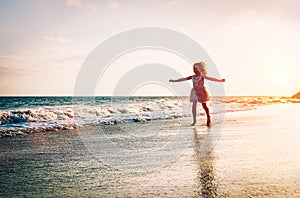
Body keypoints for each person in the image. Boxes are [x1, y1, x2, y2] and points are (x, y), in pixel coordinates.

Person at [169, 62, 225, 127]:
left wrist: (220, 80)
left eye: (197, 68)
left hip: (201, 92)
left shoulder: (202, 76)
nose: (195, 70)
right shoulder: (192, 77)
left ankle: (208, 116)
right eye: (194, 69)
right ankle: (194, 121)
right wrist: (174, 81)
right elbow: (183, 79)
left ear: (200, 69)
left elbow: (211, 79)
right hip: (195, 92)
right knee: (194, 106)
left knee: (204, 106)